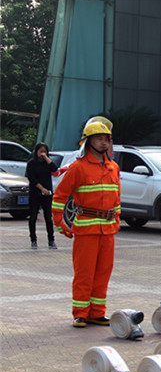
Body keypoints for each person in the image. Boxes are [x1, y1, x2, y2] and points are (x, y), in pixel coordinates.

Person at [52, 116, 121, 328]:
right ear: (87, 141)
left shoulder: (113, 168)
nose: (103, 142)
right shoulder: (78, 167)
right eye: (98, 138)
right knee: (85, 273)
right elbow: (59, 197)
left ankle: (97, 312)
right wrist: (59, 223)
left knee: (103, 273)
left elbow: (116, 199)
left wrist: (116, 220)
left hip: (107, 230)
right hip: (86, 229)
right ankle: (80, 313)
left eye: (105, 139)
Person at [25, 142, 59, 249]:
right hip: (36, 192)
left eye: (44, 151)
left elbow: (55, 169)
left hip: (47, 194)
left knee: (48, 217)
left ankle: (51, 240)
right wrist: (42, 189)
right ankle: (33, 240)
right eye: (41, 151)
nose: (42, 153)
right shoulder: (31, 164)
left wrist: (47, 159)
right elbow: (32, 178)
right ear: (36, 151)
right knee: (33, 216)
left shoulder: (47, 163)